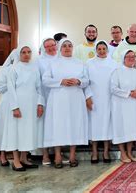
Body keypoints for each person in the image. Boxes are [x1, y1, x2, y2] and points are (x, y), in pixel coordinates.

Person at [43, 39, 89, 168]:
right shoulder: (53, 63)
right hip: (58, 99)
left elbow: (87, 80)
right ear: (60, 48)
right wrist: (60, 81)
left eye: (70, 45)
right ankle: (58, 155)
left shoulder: (80, 63)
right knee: (59, 125)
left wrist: (78, 81)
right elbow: (45, 80)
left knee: (74, 124)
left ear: (73, 48)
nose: (67, 48)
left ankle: (72, 155)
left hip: (75, 98)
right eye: (64, 46)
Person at [4, 45, 44, 171]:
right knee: (16, 132)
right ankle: (15, 160)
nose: (26, 54)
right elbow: (11, 89)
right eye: (23, 52)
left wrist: (40, 104)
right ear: (19, 54)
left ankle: (24, 158)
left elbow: (39, 88)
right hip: (19, 105)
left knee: (28, 132)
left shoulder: (34, 68)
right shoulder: (14, 69)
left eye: (29, 52)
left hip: (31, 105)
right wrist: (15, 107)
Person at [85, 41, 117, 164]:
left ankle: (106, 151)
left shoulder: (113, 64)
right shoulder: (88, 63)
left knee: (107, 124)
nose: (102, 51)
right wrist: (88, 97)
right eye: (99, 49)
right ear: (95, 50)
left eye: (104, 48)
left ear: (107, 50)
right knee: (94, 125)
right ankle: (94, 151)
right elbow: (86, 82)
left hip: (109, 97)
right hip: (94, 98)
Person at [110, 50, 136, 163]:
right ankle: (122, 153)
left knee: (131, 128)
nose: (131, 58)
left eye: (133, 56)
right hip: (120, 105)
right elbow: (113, 88)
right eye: (128, 56)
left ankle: (129, 153)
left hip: (133, 105)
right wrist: (129, 93)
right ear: (123, 58)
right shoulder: (117, 71)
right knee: (121, 128)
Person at [0, 49, 20, 167]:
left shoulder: (26, 68)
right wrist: (12, 85)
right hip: (7, 103)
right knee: (3, 129)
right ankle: (3, 155)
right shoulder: (5, 70)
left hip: (21, 102)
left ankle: (21, 156)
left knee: (17, 130)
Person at [36, 38, 58, 165]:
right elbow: (38, 83)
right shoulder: (39, 62)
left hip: (59, 98)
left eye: (53, 45)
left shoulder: (61, 58)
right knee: (45, 126)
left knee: (56, 126)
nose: (51, 48)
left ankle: (57, 153)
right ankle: (45, 154)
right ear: (44, 48)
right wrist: (40, 101)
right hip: (45, 97)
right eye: (48, 46)